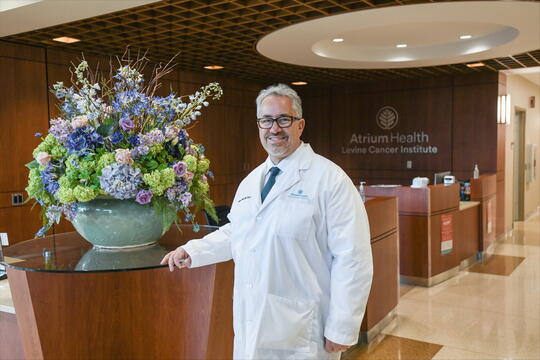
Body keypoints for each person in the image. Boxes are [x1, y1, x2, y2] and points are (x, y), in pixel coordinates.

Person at [161, 84, 373, 360]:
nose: (275, 129)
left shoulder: (330, 180)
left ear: (300, 125)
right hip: (252, 320)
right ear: (259, 125)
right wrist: (195, 250)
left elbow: (353, 257)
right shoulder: (252, 181)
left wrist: (342, 327)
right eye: (266, 120)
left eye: (284, 119)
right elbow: (239, 231)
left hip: (303, 330)